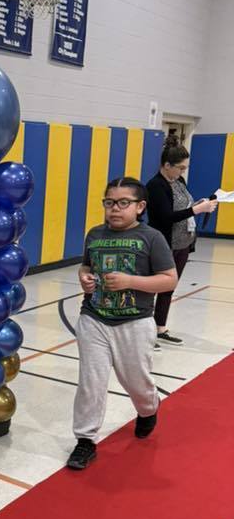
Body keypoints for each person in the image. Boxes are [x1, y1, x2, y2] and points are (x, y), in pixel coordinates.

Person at [67, 177, 178, 471]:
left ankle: (148, 407)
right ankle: (85, 440)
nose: (115, 209)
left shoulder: (151, 237)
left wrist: (130, 281)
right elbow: (87, 265)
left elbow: (169, 279)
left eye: (123, 203)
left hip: (135, 322)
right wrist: (84, 277)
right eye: (109, 202)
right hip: (93, 317)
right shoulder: (95, 234)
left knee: (135, 380)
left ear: (140, 206)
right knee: (91, 382)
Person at [146, 144, 218, 346]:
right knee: (152, 288)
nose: (183, 171)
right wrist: (196, 211)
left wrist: (200, 206)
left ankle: (160, 328)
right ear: (167, 165)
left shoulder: (179, 181)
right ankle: (144, 331)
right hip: (164, 244)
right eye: (180, 167)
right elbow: (166, 217)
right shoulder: (155, 185)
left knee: (169, 287)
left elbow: (184, 208)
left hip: (183, 243)